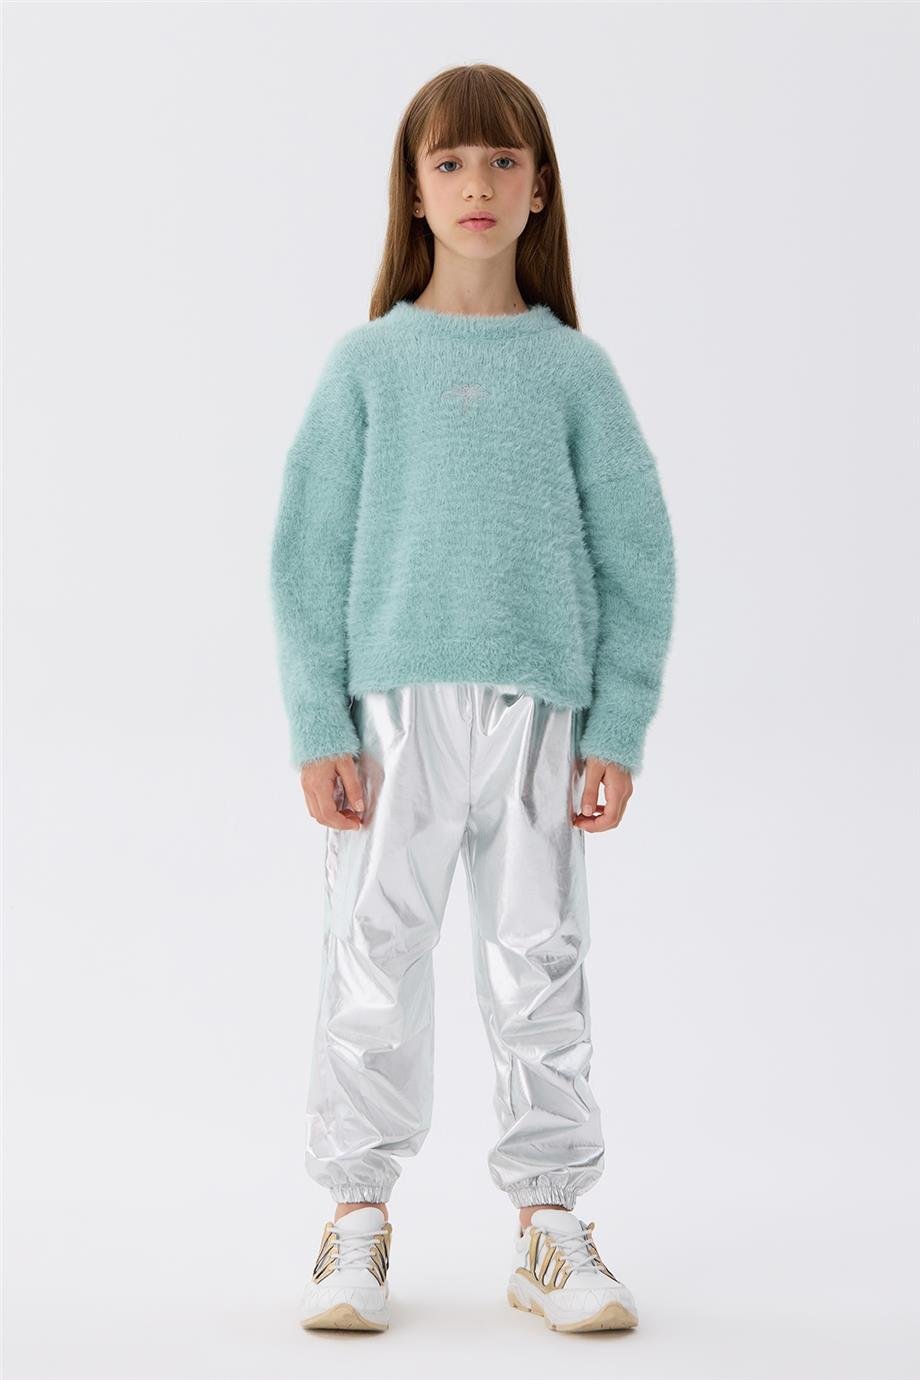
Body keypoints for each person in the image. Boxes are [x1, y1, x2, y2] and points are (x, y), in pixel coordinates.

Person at [269, 62, 676, 1335]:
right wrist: (318, 723)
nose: (477, 183)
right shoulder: (367, 367)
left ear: (540, 187)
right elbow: (306, 554)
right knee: (372, 956)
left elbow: (637, 555)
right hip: (391, 717)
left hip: (538, 714)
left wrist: (617, 726)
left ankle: (549, 1227)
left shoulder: (572, 373)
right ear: (413, 190)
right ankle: (354, 1224)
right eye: (448, 161)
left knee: (537, 960)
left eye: (503, 160)